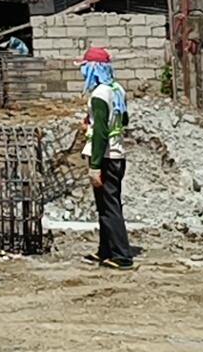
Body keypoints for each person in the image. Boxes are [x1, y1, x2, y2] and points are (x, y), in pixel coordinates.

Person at [80, 46, 133, 269]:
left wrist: (95, 166)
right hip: (117, 154)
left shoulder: (99, 95)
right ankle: (105, 250)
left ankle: (122, 256)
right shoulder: (117, 89)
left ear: (93, 68)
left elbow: (101, 133)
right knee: (105, 206)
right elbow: (125, 120)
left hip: (106, 157)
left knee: (110, 207)